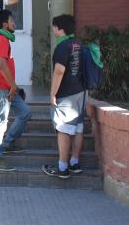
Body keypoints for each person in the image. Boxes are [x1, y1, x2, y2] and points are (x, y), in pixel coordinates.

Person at [0, 9, 32, 172]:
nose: (14, 23)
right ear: (5, 24)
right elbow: (2, 65)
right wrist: (14, 86)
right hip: (1, 89)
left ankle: (8, 143)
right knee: (0, 122)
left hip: (8, 88)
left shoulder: (3, 39)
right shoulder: (1, 39)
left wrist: (14, 86)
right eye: (12, 21)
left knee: (25, 112)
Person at [42, 14, 86, 179]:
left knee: (63, 129)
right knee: (78, 128)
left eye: (55, 27)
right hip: (81, 91)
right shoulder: (79, 44)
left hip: (66, 93)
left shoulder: (62, 47)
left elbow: (59, 71)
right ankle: (75, 163)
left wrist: (53, 94)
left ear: (60, 29)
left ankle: (62, 167)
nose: (53, 30)